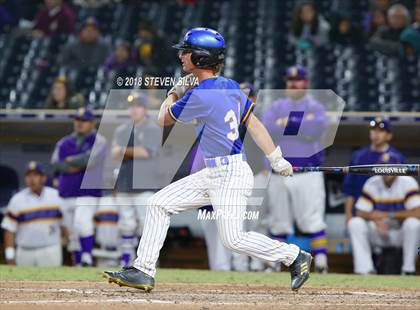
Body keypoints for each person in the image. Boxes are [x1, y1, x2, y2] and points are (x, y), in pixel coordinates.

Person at [104, 27, 312, 292]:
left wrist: (175, 92)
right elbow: (255, 124)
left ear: (200, 58)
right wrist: (276, 158)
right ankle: (143, 270)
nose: (182, 56)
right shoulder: (231, 86)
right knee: (158, 204)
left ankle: (295, 256)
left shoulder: (200, 94)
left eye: (187, 52)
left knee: (233, 239)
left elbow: (162, 118)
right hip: (215, 172)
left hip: (229, 174)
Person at [259, 66, 329, 273]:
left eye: (298, 79)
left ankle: (322, 264)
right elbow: (268, 128)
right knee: (279, 220)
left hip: (308, 172)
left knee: (312, 219)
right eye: (290, 80)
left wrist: (286, 124)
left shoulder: (315, 106)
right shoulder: (276, 106)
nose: (293, 83)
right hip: (279, 173)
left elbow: (316, 128)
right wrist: (300, 124)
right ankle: (273, 264)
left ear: (306, 83)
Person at [51, 107, 107, 266]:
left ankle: (87, 257)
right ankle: (78, 262)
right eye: (77, 120)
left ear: (92, 122)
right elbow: (55, 164)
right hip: (66, 191)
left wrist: (70, 161)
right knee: (71, 229)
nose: (80, 123)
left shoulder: (99, 140)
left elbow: (91, 161)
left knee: (82, 223)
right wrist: (76, 165)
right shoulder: (63, 142)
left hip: (88, 192)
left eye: (84, 120)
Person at [111, 92, 161, 267]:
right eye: (132, 106)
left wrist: (124, 151)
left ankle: (146, 263)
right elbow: (113, 153)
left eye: (138, 106)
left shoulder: (152, 128)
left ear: (145, 109)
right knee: (126, 224)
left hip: (145, 184)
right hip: (124, 183)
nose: (134, 109)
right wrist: (132, 151)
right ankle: (126, 261)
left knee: (145, 226)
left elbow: (146, 152)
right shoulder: (122, 129)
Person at [347, 153, 420, 275]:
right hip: (379, 232)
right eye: (383, 166)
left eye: (389, 166)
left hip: (399, 233)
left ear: (398, 167)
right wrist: (374, 219)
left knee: (413, 224)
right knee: (355, 223)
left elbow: (417, 212)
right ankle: (365, 270)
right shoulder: (372, 182)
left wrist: (388, 215)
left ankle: (408, 270)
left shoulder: (408, 182)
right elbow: (360, 212)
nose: (386, 170)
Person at [1, 161, 66, 266]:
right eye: (28, 175)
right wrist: (9, 255)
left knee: (51, 281)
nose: (31, 179)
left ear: (44, 178)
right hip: (25, 251)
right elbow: (9, 229)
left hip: (50, 249)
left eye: (35, 175)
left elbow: (66, 224)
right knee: (22, 282)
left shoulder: (56, 196)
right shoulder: (17, 199)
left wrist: (70, 245)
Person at [343, 117, 405, 224]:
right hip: (363, 212)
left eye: (381, 130)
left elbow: (403, 187)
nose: (376, 133)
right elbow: (349, 188)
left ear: (389, 135)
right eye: (373, 130)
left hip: (390, 213)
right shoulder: (358, 156)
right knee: (355, 225)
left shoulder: (397, 158)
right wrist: (348, 214)